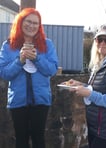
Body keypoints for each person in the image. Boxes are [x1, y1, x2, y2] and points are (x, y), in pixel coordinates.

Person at [0, 8, 58, 148]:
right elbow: (4, 73)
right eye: (28, 21)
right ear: (20, 22)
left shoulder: (47, 44)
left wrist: (37, 58)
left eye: (35, 23)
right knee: (21, 140)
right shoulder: (8, 45)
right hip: (18, 101)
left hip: (41, 101)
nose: (31, 26)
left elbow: (52, 69)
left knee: (39, 139)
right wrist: (19, 61)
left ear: (39, 26)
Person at [64, 25, 106, 148]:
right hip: (95, 127)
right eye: (99, 39)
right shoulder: (100, 62)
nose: (102, 43)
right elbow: (98, 88)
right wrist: (81, 85)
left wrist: (89, 94)